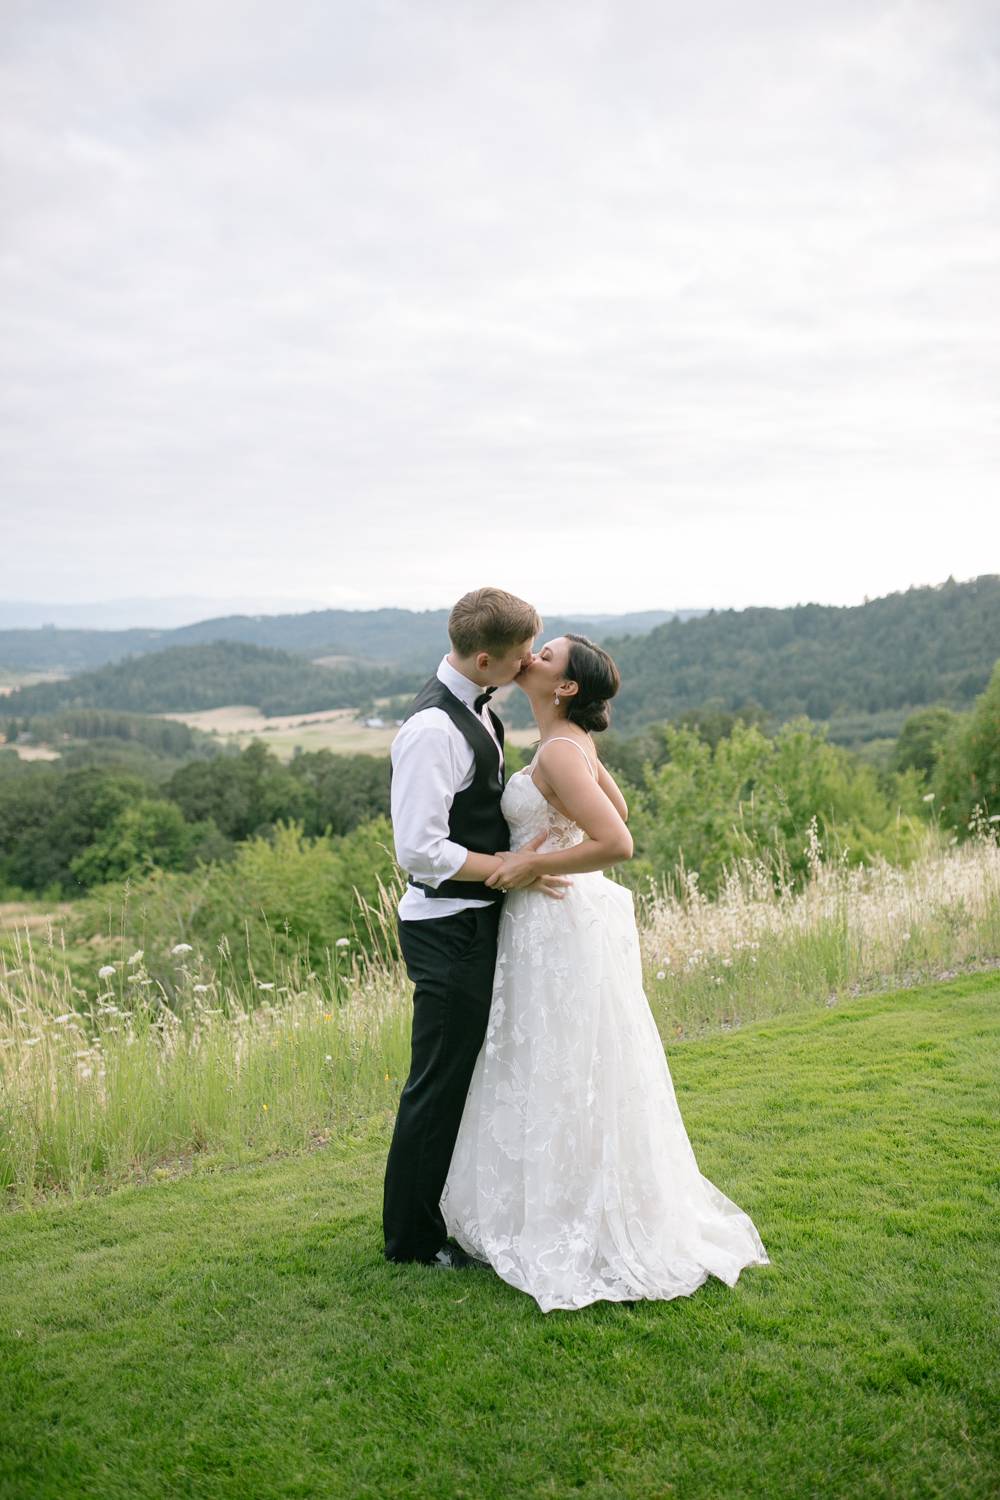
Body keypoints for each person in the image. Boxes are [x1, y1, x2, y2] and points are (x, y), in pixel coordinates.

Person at [441, 632, 769, 1311]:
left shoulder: (560, 750)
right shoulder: (567, 747)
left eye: (548, 654)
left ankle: (568, 1218)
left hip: (557, 921)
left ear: (564, 687)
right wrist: (558, 840)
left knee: (560, 1060)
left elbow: (618, 839)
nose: (532, 656)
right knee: (571, 1061)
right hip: (563, 921)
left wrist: (534, 863)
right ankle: (562, 1200)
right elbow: (614, 809)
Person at [383, 587, 569, 1267]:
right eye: (521, 657)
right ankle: (411, 1241)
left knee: (466, 1075)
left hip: (474, 918)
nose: (528, 668)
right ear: (486, 658)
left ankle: (447, 1212)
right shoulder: (433, 730)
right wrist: (507, 864)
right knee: (437, 1081)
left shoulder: (478, 713)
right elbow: (420, 849)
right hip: (446, 927)